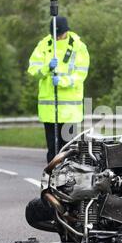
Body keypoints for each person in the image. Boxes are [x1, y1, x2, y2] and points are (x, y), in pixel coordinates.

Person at [28, 16, 90, 163]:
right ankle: (53, 181)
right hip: (49, 109)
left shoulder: (78, 47)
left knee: (69, 150)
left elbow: (80, 75)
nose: (56, 38)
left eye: (59, 35)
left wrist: (62, 81)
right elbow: (33, 70)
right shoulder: (44, 45)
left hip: (70, 110)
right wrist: (47, 68)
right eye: (53, 35)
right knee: (53, 151)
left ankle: (69, 182)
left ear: (66, 31)